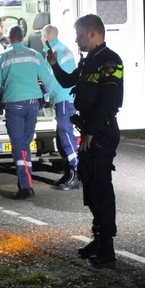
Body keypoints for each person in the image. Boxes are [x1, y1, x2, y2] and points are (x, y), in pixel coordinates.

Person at [52, 14, 124, 267]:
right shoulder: (88, 61)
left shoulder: (110, 61)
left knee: (101, 188)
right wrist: (53, 65)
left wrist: (91, 133)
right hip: (91, 131)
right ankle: (98, 238)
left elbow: (109, 102)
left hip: (101, 133)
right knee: (90, 187)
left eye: (80, 35)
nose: (76, 40)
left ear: (92, 33)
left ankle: (108, 248)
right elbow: (67, 81)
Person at [0, 26, 63, 200]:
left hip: (14, 105)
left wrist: (4, 92)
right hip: (32, 105)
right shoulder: (35, 56)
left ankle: (25, 186)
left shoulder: (2, 57)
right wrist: (44, 96)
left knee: (19, 146)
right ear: (22, 37)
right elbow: (50, 81)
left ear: (9, 39)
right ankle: (25, 182)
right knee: (25, 144)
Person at [42, 24, 80, 190]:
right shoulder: (63, 49)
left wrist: (44, 95)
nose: (41, 38)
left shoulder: (54, 52)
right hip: (66, 98)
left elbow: (53, 79)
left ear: (48, 35)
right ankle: (68, 172)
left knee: (65, 136)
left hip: (63, 98)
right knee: (61, 137)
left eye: (42, 35)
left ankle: (76, 171)